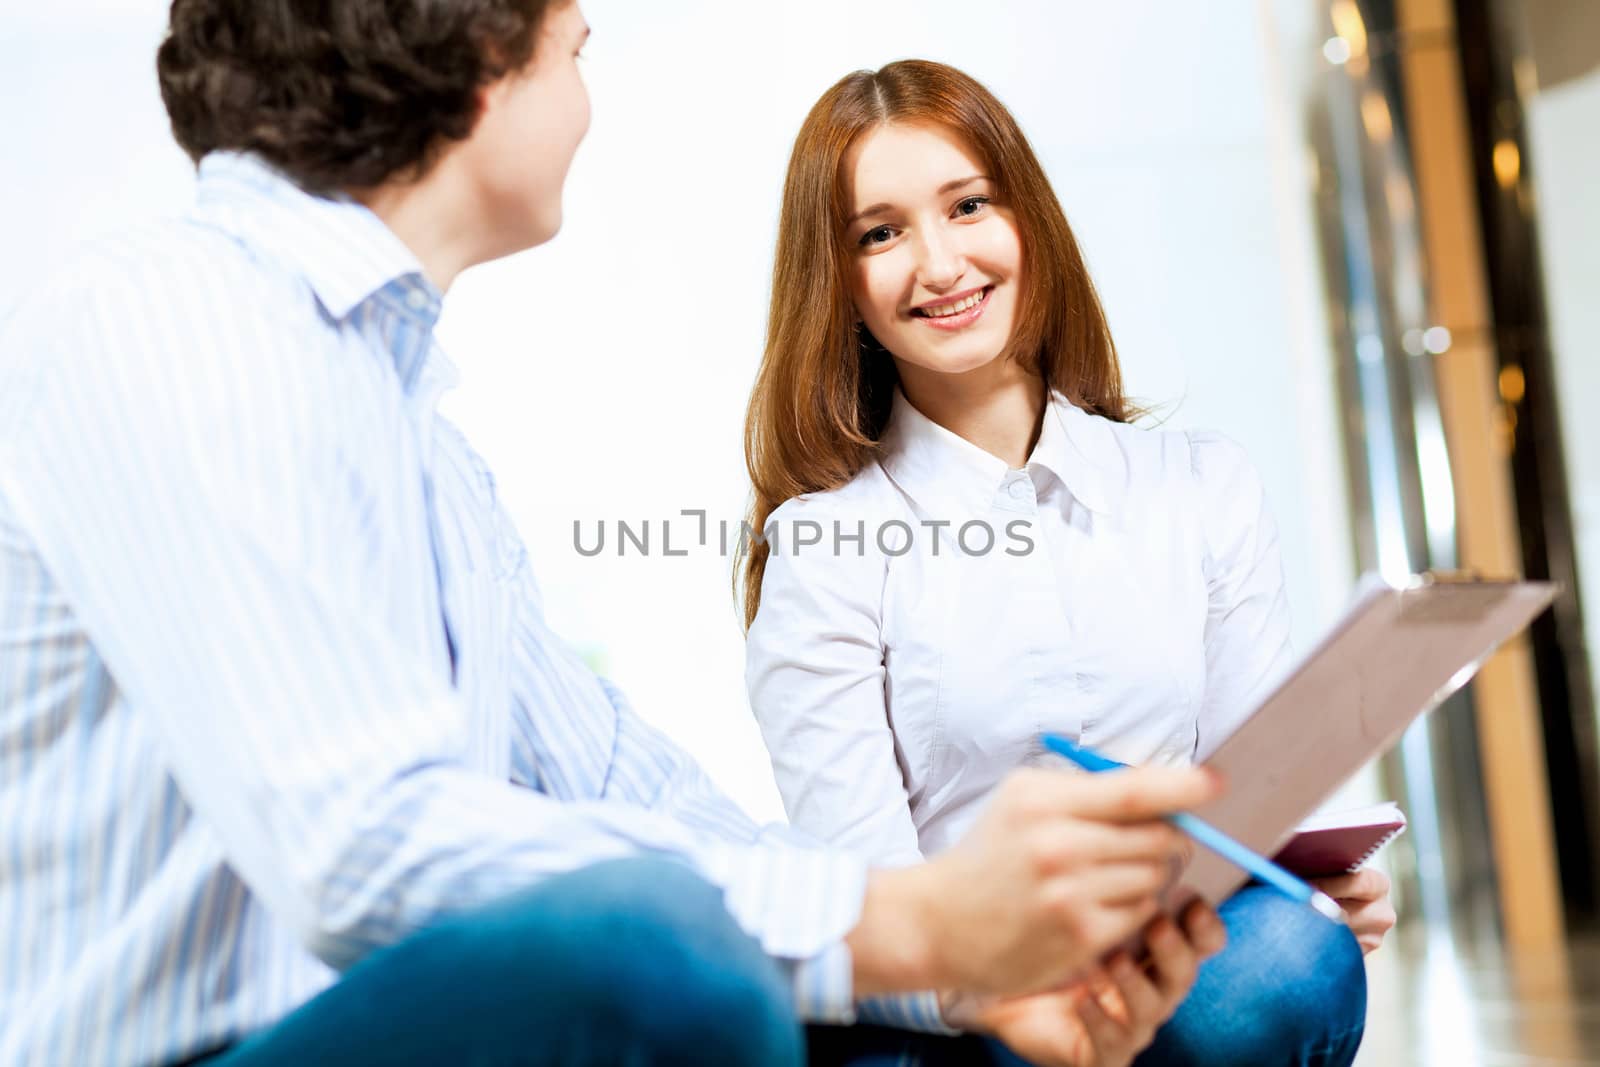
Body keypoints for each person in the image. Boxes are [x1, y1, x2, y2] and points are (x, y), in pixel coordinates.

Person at [0, 6, 1228, 1067]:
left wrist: (952, 959)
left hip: (387, 1020)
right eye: (573, 47)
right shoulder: (177, 315)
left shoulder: (407, 423)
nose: (588, 98)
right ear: (484, 54)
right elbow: (365, 842)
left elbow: (609, 777)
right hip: (206, 1045)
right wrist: (915, 925)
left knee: (856, 993)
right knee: (663, 953)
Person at [741, 60, 1397, 1067]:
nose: (940, 262)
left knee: (1290, 956)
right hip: (962, 1006)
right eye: (880, 232)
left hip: (1176, 965)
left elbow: (1248, 796)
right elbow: (867, 895)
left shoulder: (1198, 487)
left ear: (1025, 217)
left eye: (968, 205)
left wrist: (1305, 879)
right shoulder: (824, 548)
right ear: (843, 284)